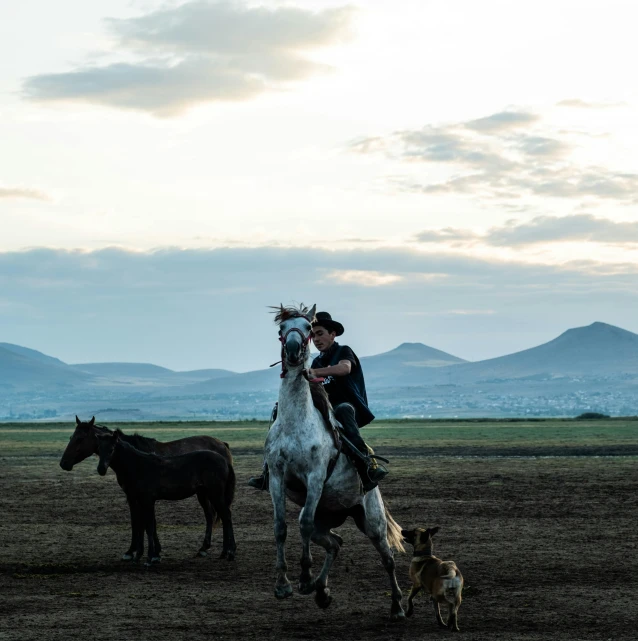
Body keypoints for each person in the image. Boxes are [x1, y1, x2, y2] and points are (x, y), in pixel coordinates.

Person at [248, 311, 387, 493]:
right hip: (323, 407)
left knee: (343, 409)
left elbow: (344, 369)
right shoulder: (317, 361)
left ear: (332, 334)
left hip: (346, 407)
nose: (316, 339)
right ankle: (267, 470)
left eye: (320, 333)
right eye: (313, 336)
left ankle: (367, 466)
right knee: (278, 412)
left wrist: (316, 373)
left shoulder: (343, 351)